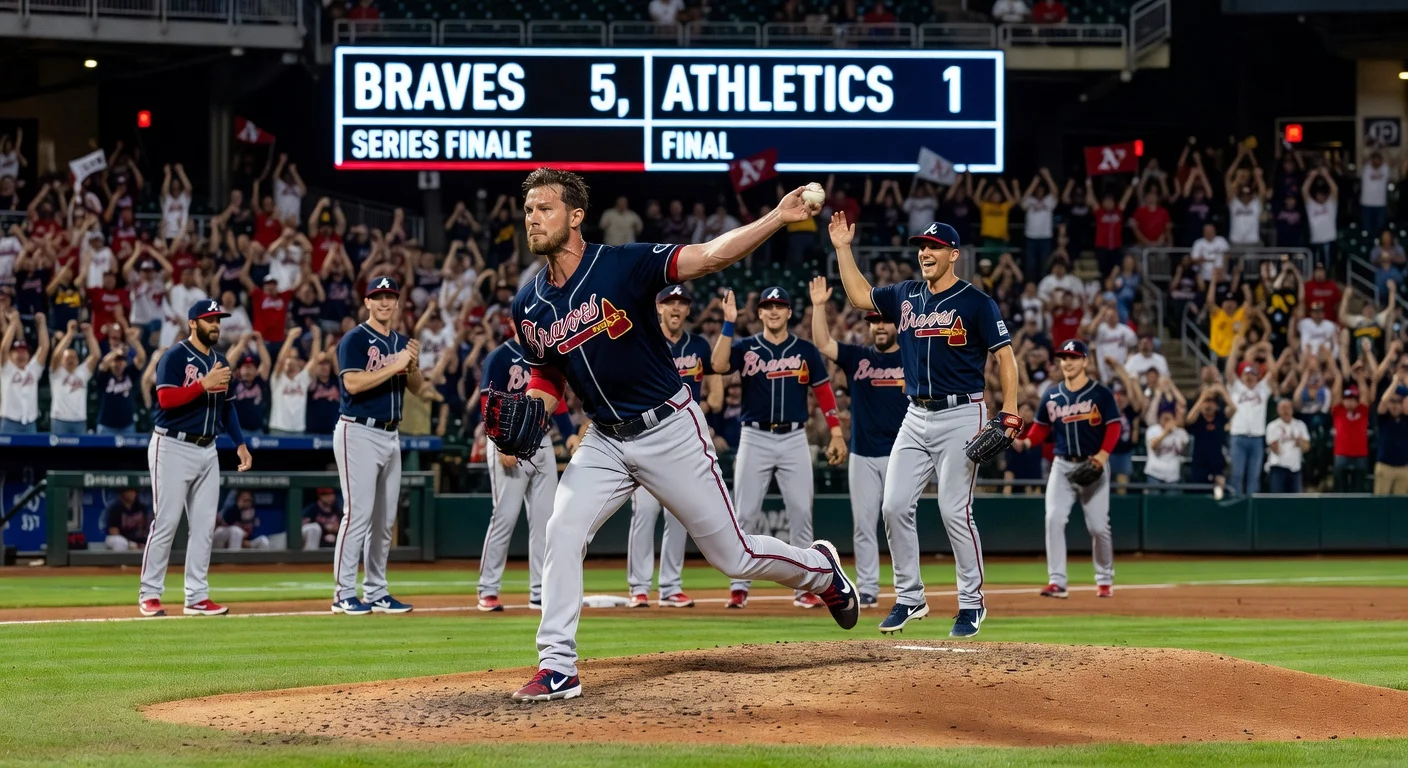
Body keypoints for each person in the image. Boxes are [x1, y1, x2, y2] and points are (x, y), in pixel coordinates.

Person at [503, 169, 857, 702]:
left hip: (668, 427)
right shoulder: (527, 303)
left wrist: (778, 218)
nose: (533, 218)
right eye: (528, 209)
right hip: (604, 439)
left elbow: (710, 255)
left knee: (733, 557)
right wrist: (534, 407)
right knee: (562, 528)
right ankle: (557, 664)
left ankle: (821, 572)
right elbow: (548, 373)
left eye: (544, 208)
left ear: (575, 217)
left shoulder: (621, 264)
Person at [831, 214, 1020, 637]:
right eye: (922, 246)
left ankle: (972, 604)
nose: (925, 252)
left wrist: (1009, 409)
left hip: (961, 413)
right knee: (894, 505)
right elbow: (861, 296)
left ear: (953, 255)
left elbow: (1005, 356)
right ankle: (910, 597)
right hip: (915, 415)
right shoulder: (905, 295)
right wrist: (844, 248)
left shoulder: (976, 302)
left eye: (934, 247)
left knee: (955, 510)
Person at [711, 284, 847, 610]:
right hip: (754, 435)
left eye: (780, 306)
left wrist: (836, 432)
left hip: (793, 437)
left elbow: (824, 392)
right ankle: (739, 586)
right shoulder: (745, 347)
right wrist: (728, 323)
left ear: (788, 312)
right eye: (768, 306)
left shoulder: (805, 350)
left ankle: (806, 586)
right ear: (759, 312)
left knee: (801, 513)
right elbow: (717, 364)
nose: (774, 311)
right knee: (744, 513)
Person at [138, 300, 253, 618]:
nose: (216, 325)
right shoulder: (174, 356)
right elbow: (165, 398)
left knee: (204, 526)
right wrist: (203, 384)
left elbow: (227, 407)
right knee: (166, 521)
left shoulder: (220, 361)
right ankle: (149, 593)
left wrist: (240, 445)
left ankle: (197, 596)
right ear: (193, 323)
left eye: (218, 320)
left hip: (209, 449)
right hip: (172, 445)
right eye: (210, 319)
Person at [331, 277, 436, 617]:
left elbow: (418, 389)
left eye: (390, 297)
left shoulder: (402, 342)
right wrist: (396, 363)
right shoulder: (355, 339)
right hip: (357, 431)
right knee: (357, 514)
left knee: (385, 519)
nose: (385, 303)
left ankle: (376, 590)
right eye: (378, 297)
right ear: (367, 302)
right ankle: (344, 593)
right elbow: (353, 383)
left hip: (391, 435)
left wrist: (413, 365)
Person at [809, 275, 906, 610]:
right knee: (864, 526)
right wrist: (819, 307)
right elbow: (822, 343)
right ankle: (867, 589)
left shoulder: (912, 357)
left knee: (899, 522)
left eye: (885, 321)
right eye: (875, 322)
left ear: (897, 326)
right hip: (863, 453)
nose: (879, 327)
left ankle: (908, 588)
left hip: (900, 455)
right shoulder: (857, 357)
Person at [626, 286, 723, 609]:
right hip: (648, 436)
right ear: (658, 308)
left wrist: (697, 412)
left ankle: (670, 587)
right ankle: (639, 587)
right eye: (670, 302)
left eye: (681, 303)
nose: (676, 308)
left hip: (682, 440)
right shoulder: (645, 341)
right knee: (645, 512)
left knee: (679, 515)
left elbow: (717, 396)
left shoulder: (698, 345)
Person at [1011, 339, 1119, 599]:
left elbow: (1113, 426)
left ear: (1084, 361)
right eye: (1063, 357)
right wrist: (1025, 442)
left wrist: (1102, 457)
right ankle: (1057, 581)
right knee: (1054, 519)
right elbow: (1041, 428)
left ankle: (1104, 579)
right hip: (1062, 465)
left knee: (1097, 527)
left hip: (1093, 463)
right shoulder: (1051, 394)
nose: (1067, 362)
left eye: (1073, 357)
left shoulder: (1100, 393)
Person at [476, 327, 572, 612]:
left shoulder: (547, 355)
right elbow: (487, 403)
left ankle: (540, 590)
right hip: (509, 443)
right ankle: (488, 589)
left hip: (542, 442)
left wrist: (568, 434)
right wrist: (501, 445)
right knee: (504, 517)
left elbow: (560, 400)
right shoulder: (499, 357)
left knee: (546, 521)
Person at [1224, 339, 1279, 496]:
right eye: (1247, 374)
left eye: (1253, 374)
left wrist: (1268, 353)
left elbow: (1273, 373)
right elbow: (1229, 371)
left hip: (1256, 438)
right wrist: (1234, 349)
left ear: (1257, 376)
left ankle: (1251, 510)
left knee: (1254, 477)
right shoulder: (1237, 388)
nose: (1250, 377)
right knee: (1237, 474)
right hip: (1238, 437)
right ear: (1242, 375)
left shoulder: (1262, 389)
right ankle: (1237, 507)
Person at [48, 321, 100, 435]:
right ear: (62, 361)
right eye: (68, 358)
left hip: (79, 421)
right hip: (59, 420)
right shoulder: (56, 372)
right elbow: (56, 355)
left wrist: (90, 334)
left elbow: (96, 355)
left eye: (74, 357)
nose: (71, 359)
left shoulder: (83, 372)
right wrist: (69, 334)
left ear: (78, 360)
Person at [0, 310, 48, 433]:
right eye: (18, 351)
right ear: (12, 355)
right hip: (8, 422)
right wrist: (13, 324)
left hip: (30, 423)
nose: (21, 354)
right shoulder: (6, 368)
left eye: (24, 351)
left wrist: (42, 324)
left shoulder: (33, 369)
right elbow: (4, 349)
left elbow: (44, 347)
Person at [269, 326, 321, 436]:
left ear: (299, 362)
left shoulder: (303, 378)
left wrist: (317, 339)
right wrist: (290, 338)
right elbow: (280, 360)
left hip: (299, 430)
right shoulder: (277, 378)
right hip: (278, 428)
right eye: (288, 357)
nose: (290, 360)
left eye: (293, 358)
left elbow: (315, 359)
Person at [1187, 380, 1233, 499]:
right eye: (1207, 402)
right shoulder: (1198, 419)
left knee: (1218, 496)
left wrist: (1222, 391)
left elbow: (1233, 409)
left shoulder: (1219, 418)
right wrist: (1203, 397)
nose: (1209, 405)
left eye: (1212, 402)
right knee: (1199, 497)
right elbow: (1189, 419)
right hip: (1199, 465)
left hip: (1217, 465)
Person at [1264, 398, 1310, 493]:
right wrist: (1290, 440)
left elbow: (1307, 447)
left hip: (1295, 468)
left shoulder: (1300, 425)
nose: (1286, 410)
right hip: (1278, 468)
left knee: (1295, 502)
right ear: (1278, 410)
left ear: (1292, 409)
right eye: (1283, 408)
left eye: (1288, 407)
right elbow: (1275, 449)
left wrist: (1300, 442)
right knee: (1278, 501)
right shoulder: (1272, 426)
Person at [1374, 379, 1408, 495]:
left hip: (1403, 468)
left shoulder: (1406, 419)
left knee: (1399, 507)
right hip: (1385, 467)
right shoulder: (1384, 418)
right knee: (1380, 505)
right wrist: (1395, 381)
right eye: (1392, 402)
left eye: (1398, 402)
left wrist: (1405, 381)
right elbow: (1383, 401)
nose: (1395, 405)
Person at [1143, 405, 1188, 489]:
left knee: (1172, 502)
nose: (1166, 421)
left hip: (1173, 476)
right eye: (1164, 418)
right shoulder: (1153, 430)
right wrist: (1166, 432)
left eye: (1169, 418)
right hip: (1154, 474)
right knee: (1153, 501)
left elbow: (1184, 449)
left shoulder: (1180, 432)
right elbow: (1153, 446)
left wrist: (1176, 427)